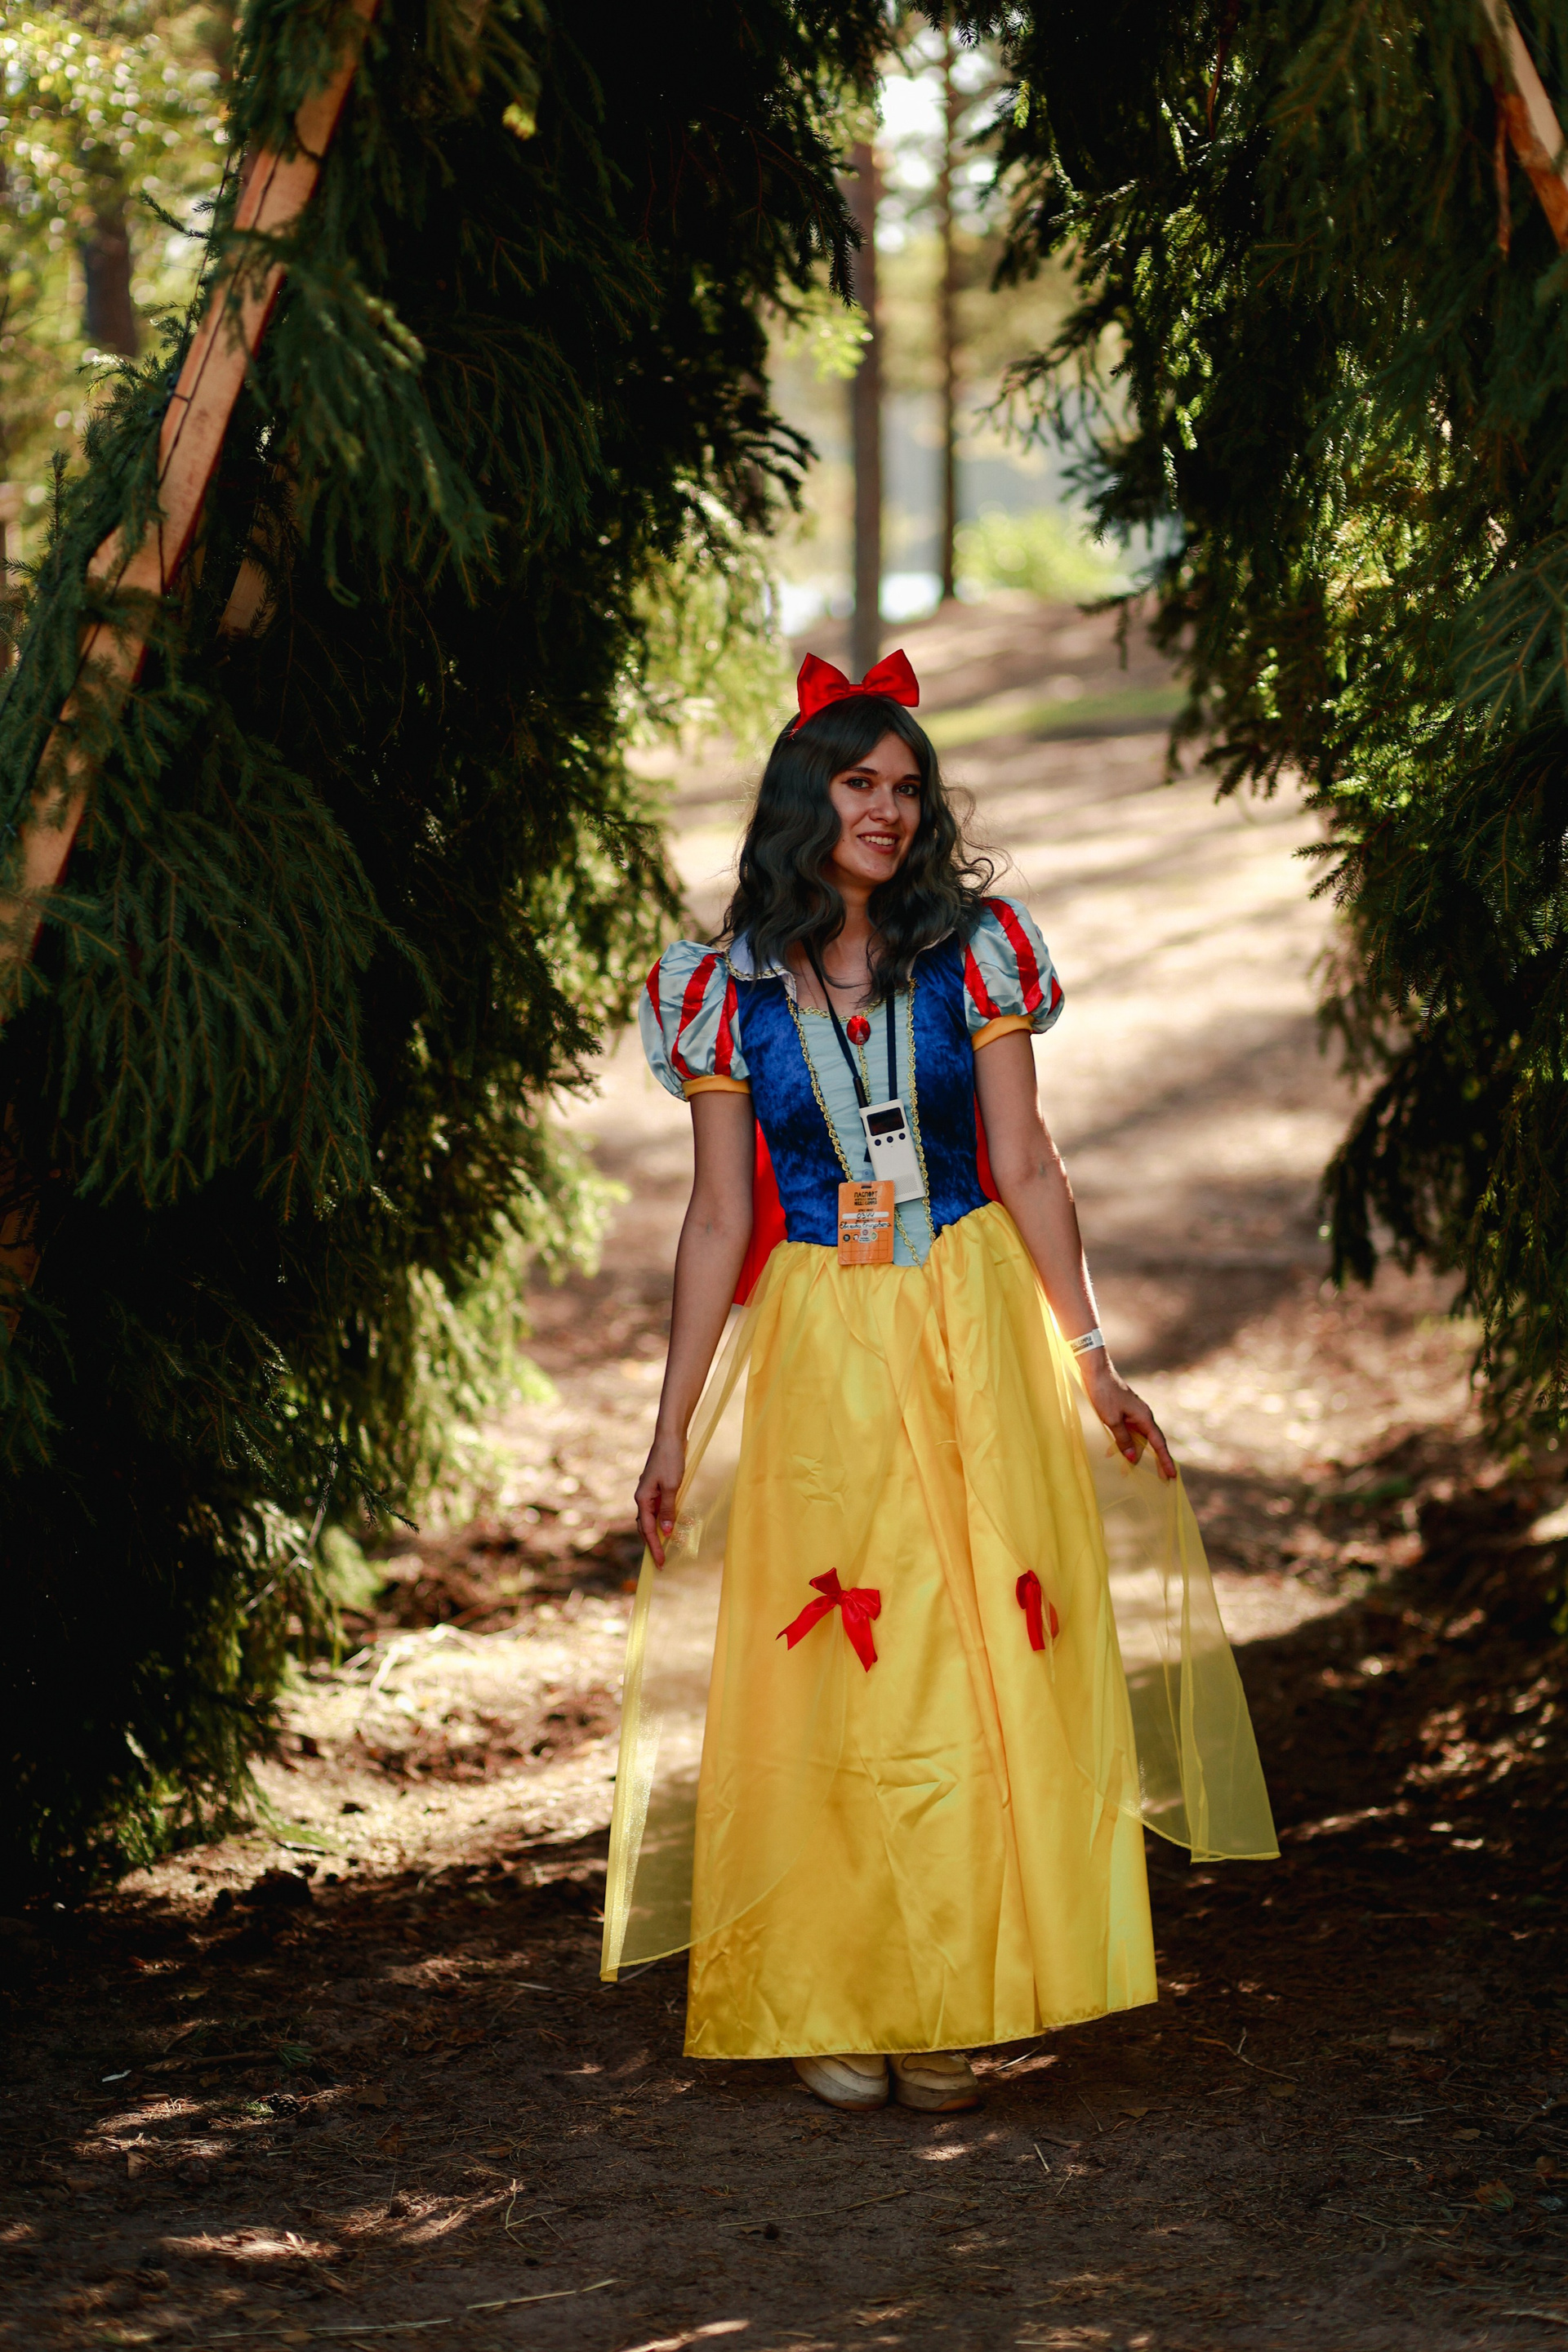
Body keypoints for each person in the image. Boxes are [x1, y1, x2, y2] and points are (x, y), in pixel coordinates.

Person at [602, 650, 1276, 2115]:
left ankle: (951, 1993)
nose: (888, 811)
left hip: (973, 1320)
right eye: (858, 783)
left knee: (973, 1651)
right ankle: (841, 1986)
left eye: (908, 788)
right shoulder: (720, 990)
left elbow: (1027, 1163)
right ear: (803, 799)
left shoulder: (976, 953)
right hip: (826, 1343)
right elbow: (717, 1218)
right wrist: (670, 1430)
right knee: (847, 1655)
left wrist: (1093, 1359)